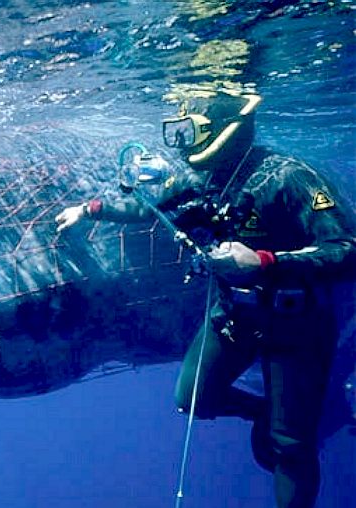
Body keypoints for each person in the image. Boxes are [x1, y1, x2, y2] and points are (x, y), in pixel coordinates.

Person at [55, 89, 356, 508]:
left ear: (225, 131)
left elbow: (347, 250)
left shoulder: (289, 178)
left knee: (290, 445)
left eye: (190, 132)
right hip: (234, 315)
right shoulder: (204, 178)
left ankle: (290, 425)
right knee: (193, 398)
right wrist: (90, 209)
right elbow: (148, 208)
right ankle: (265, 411)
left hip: (297, 325)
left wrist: (265, 261)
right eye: (177, 132)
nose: (182, 144)